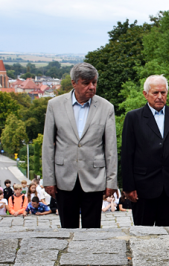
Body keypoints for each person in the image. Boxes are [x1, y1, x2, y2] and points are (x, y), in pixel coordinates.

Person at [42, 63, 118, 229]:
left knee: (92, 229)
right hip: (64, 176)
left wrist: (111, 181)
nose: (91, 87)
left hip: (94, 176)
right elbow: (48, 145)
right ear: (74, 83)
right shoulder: (55, 105)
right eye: (86, 83)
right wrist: (48, 179)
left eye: (94, 83)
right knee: (67, 228)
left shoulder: (106, 108)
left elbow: (110, 148)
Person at [121, 75, 169, 226]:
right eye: (155, 93)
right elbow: (127, 154)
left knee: (166, 231)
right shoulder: (133, 117)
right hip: (142, 187)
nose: (160, 97)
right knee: (143, 231)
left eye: (163, 92)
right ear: (145, 94)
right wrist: (128, 186)